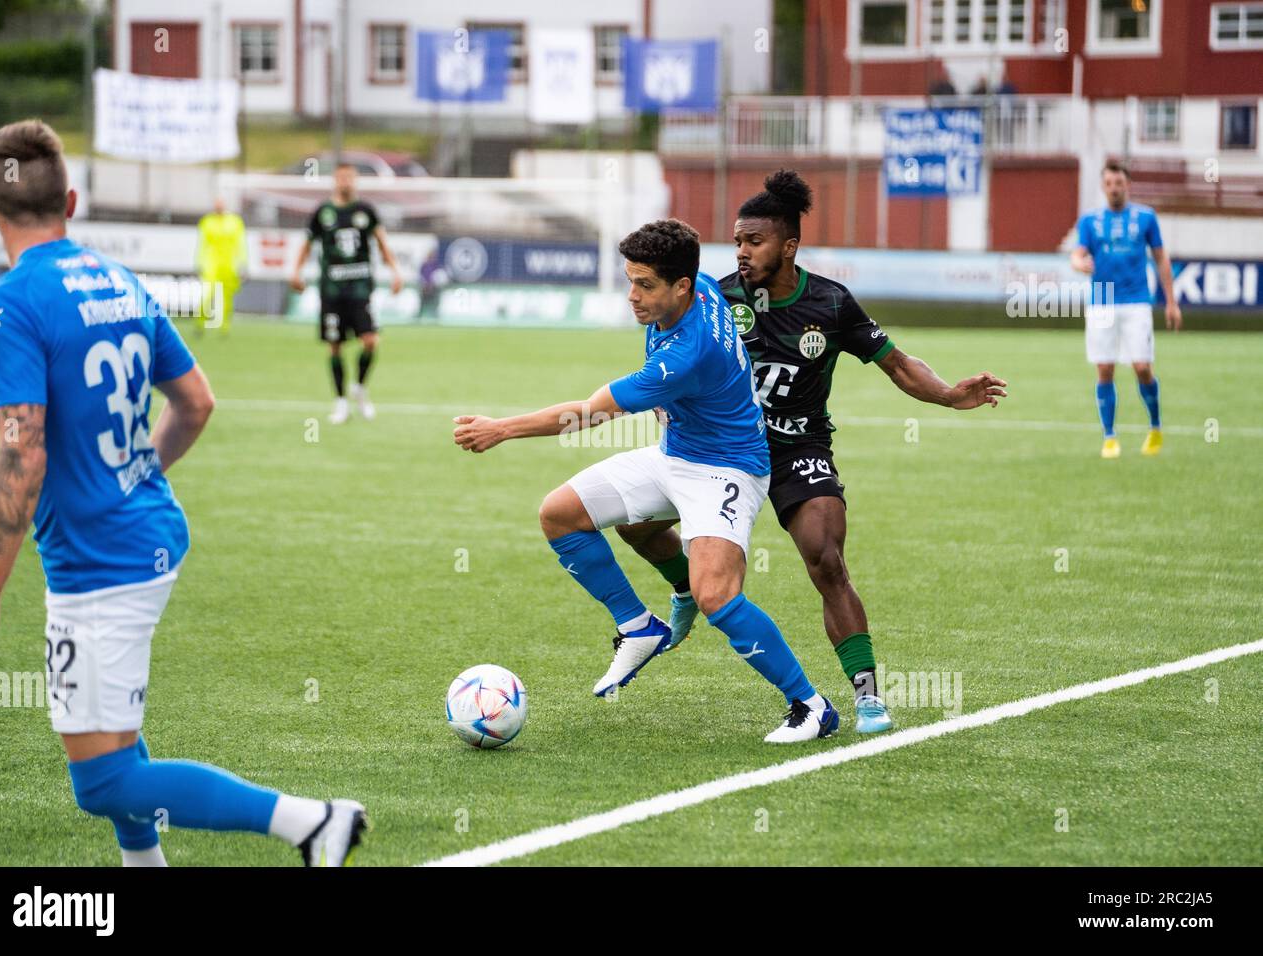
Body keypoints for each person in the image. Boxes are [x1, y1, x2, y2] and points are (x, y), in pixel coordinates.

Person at [0, 120, 367, 866]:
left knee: (103, 781)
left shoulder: (2, 305)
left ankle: (312, 823)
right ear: (72, 201)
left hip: (100, 559)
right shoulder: (120, 281)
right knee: (112, 735)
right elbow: (196, 403)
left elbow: (22, 452)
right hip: (143, 531)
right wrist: (134, 477)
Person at [617, 171, 1008, 734]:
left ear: (789, 246)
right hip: (723, 450)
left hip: (798, 448)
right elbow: (665, 354)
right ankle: (683, 588)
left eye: (755, 242)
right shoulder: (719, 297)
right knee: (636, 524)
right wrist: (663, 403)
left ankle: (869, 697)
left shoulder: (830, 303)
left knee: (826, 559)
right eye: (738, 241)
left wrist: (948, 394)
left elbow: (896, 363)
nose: (743, 252)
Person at [454, 219, 841, 743]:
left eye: (645, 285)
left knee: (717, 597)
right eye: (630, 280)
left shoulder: (685, 355)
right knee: (560, 513)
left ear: (681, 285)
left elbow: (588, 414)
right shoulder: (697, 285)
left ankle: (811, 707)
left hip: (727, 469)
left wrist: (501, 428)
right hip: (674, 453)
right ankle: (638, 626)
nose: (632, 296)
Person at [1070, 160, 1181, 458]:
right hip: (1102, 300)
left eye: (1119, 183)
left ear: (1127, 185)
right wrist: (1079, 263)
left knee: (1142, 367)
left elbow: (1160, 258)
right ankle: (1109, 437)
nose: (1114, 189)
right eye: (1109, 184)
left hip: (1136, 301)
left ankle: (1155, 427)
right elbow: (1077, 254)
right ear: (1103, 187)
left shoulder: (1146, 217)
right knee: (1105, 368)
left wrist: (1171, 301)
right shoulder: (1090, 221)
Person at [289, 163, 402, 424]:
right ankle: (340, 402)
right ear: (334, 181)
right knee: (334, 346)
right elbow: (307, 245)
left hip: (361, 289)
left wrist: (396, 271)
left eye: (350, 178)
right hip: (332, 292)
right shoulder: (323, 212)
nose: (345, 182)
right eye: (341, 178)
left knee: (371, 341)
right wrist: (296, 271)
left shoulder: (366, 211)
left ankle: (360, 388)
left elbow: (382, 244)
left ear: (356, 181)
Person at [195, 196, 246, 335]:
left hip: (229, 265)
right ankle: (200, 324)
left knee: (227, 297)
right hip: (211, 264)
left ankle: (224, 326)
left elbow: (240, 245)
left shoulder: (235, 222)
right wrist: (199, 263)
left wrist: (242, 264)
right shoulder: (207, 222)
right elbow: (202, 244)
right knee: (207, 294)